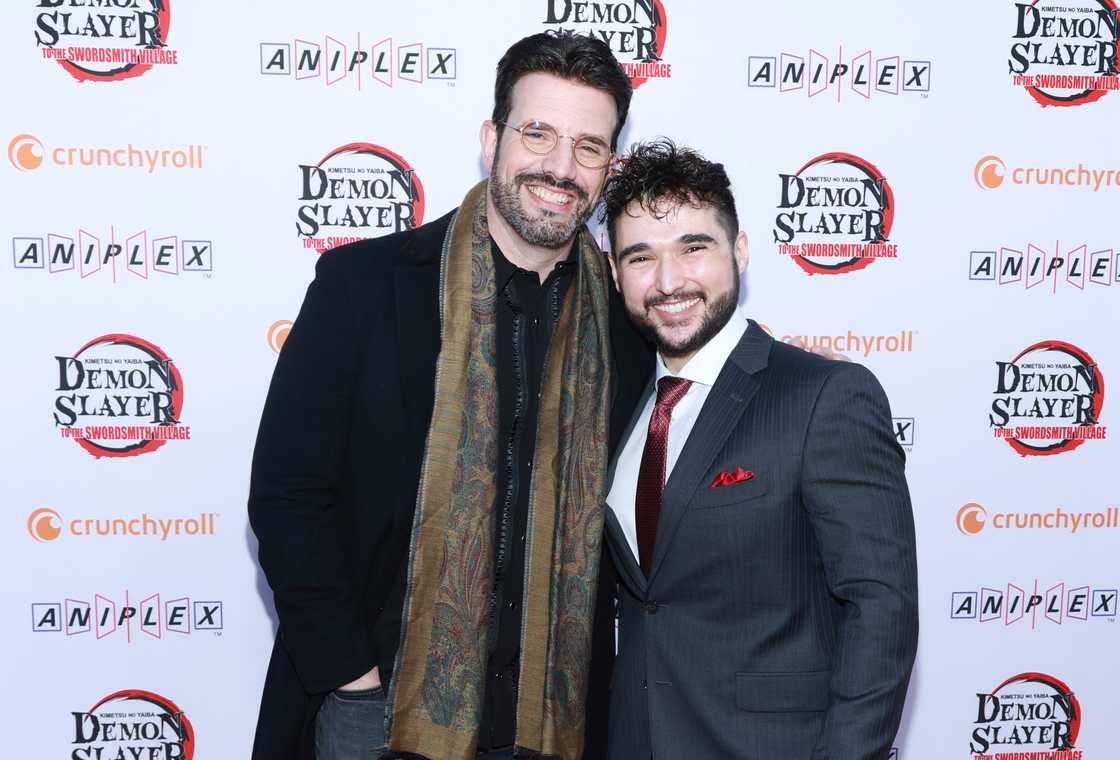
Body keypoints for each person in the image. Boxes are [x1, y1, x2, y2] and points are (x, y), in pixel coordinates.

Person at [248, 32, 651, 760]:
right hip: (380, 714)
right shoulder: (366, 287)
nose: (560, 168)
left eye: (589, 147)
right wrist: (353, 682)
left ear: (609, 168)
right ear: (492, 138)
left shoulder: (627, 332)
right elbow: (288, 497)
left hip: (551, 729)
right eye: (538, 134)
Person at [601, 139, 918, 759]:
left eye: (694, 248)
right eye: (640, 258)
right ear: (615, 275)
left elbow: (881, 610)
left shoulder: (822, 394)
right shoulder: (618, 404)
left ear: (740, 251)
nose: (668, 282)